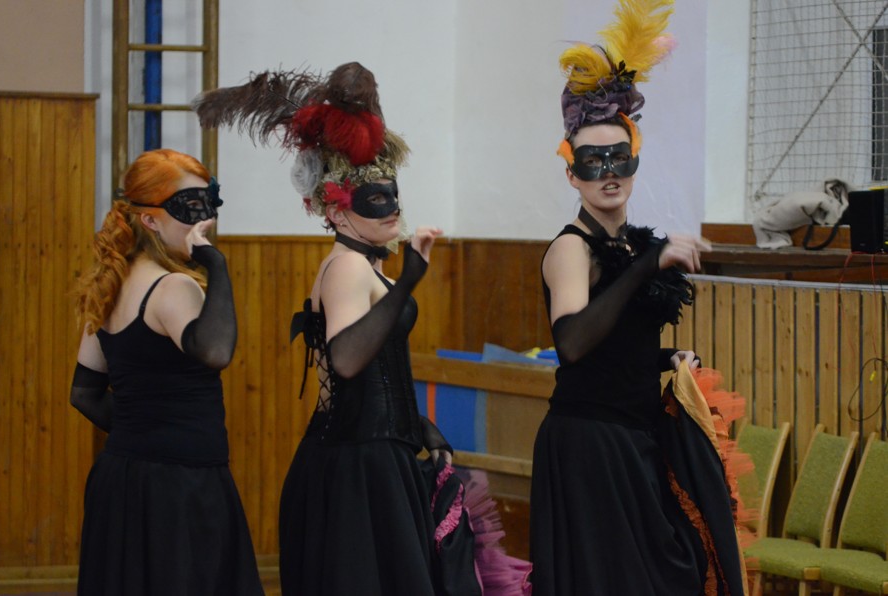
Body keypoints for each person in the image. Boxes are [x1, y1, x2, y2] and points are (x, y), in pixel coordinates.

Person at [194, 62, 531, 596]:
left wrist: (414, 423)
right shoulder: (349, 267)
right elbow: (347, 359)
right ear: (336, 211)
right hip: (357, 466)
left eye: (393, 194)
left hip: (372, 455)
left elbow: (373, 366)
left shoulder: (361, 263)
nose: (392, 208)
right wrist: (409, 281)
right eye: (375, 198)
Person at [529, 1, 748, 594]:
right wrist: (648, 264)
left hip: (636, 438)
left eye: (618, 158)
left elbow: (618, 344)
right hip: (590, 443)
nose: (608, 171)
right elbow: (573, 343)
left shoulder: (632, 246)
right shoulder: (570, 249)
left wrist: (666, 358)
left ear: (635, 163)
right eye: (592, 161)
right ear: (572, 174)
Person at [70, 149, 264, 596]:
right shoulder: (173, 286)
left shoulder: (111, 285)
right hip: (181, 487)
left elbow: (84, 393)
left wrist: (144, 432)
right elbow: (215, 350)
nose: (205, 221)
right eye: (190, 208)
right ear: (150, 220)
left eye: (208, 204)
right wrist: (216, 264)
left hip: (122, 480)